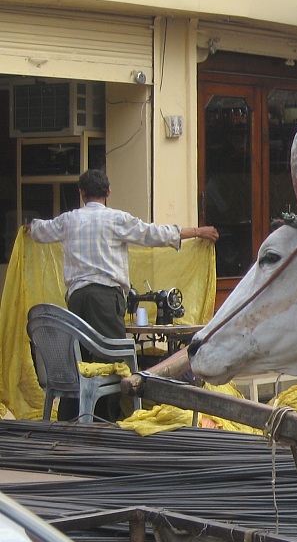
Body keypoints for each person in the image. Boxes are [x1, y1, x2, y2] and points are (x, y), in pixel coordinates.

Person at [26, 169, 218, 418]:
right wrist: (197, 232)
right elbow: (153, 234)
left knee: (79, 361)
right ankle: (105, 420)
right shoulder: (116, 219)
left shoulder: (69, 220)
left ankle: (71, 418)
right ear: (108, 192)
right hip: (105, 299)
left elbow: (40, 230)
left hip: (76, 299)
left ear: (81, 193)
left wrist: (29, 228)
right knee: (113, 362)